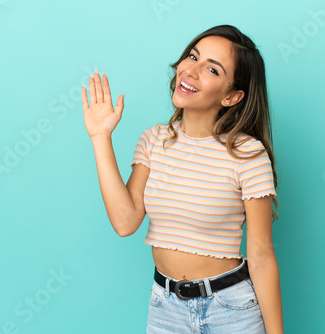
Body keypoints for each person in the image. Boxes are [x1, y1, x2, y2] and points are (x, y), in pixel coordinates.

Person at [81, 24, 283, 334]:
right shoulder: (153, 141)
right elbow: (126, 222)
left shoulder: (248, 154)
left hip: (230, 311)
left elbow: (261, 255)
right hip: (165, 309)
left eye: (212, 70)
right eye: (192, 56)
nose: (191, 70)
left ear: (232, 96)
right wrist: (100, 137)